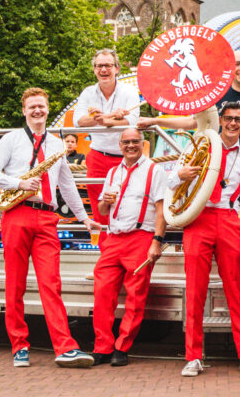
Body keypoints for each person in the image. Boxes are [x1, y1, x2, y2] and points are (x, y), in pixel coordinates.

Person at [139, 50, 240, 319]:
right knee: (205, 240)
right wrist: (157, 120)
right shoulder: (215, 97)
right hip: (211, 174)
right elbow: (192, 122)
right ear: (231, 67)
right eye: (237, 63)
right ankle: (208, 304)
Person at [0, 87, 98, 368]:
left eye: (42, 106)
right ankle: (19, 347)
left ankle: (64, 347)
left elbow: (67, 185)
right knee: (15, 285)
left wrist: (83, 218)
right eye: (32, 106)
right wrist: (19, 183)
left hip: (47, 218)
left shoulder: (57, 144)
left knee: (51, 285)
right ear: (24, 110)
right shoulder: (11, 140)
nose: (37, 111)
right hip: (17, 214)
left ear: (47, 109)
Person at [170, 102, 240, 377]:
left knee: (236, 292)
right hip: (198, 219)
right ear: (220, 120)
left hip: (227, 220)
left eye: (238, 119)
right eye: (229, 118)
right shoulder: (195, 149)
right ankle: (193, 357)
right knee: (195, 291)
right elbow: (166, 184)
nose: (233, 123)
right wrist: (180, 174)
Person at [91, 129, 167, 367]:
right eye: (127, 142)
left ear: (143, 144)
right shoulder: (113, 172)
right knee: (102, 293)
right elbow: (103, 211)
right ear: (120, 144)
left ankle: (122, 347)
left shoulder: (155, 170)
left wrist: (157, 240)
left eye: (135, 141)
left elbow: (161, 208)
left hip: (140, 238)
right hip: (113, 238)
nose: (131, 145)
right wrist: (106, 201)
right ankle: (102, 347)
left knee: (136, 296)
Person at [73, 48, 140, 239]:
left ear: (117, 68)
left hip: (126, 158)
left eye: (108, 65)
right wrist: (111, 117)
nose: (104, 69)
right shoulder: (87, 92)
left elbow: (132, 121)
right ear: (94, 70)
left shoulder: (129, 91)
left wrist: (104, 120)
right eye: (99, 66)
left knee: (128, 206)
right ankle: (106, 256)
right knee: (99, 209)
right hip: (97, 157)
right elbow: (78, 121)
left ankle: (127, 252)